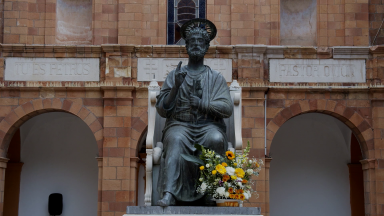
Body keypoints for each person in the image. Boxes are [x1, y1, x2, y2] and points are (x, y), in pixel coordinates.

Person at [155, 19, 233, 206]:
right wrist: (176, 88)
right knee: (175, 140)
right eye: (192, 42)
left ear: (206, 47)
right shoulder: (175, 75)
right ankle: (169, 194)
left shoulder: (216, 78)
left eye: (200, 42)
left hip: (208, 126)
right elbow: (162, 110)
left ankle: (210, 191)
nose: (196, 45)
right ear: (186, 46)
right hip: (180, 125)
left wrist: (202, 104)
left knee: (215, 139)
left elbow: (227, 108)